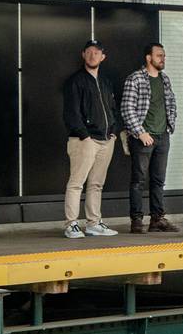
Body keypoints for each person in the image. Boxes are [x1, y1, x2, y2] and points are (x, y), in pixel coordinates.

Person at [62, 40, 120, 239]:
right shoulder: (75, 81)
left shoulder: (105, 82)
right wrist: (84, 135)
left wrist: (113, 131)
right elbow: (71, 113)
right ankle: (71, 225)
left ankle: (93, 224)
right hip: (84, 140)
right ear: (83, 55)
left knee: (96, 184)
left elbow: (112, 109)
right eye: (89, 52)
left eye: (97, 52)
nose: (93, 55)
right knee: (76, 183)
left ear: (103, 57)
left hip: (106, 140)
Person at [121, 42, 179, 233]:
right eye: (159, 55)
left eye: (164, 56)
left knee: (158, 180)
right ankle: (136, 221)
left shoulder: (165, 79)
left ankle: (157, 219)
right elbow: (127, 108)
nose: (163, 59)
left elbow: (171, 103)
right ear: (148, 57)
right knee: (138, 180)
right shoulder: (135, 79)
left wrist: (170, 127)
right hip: (143, 137)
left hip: (163, 136)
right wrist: (140, 132)